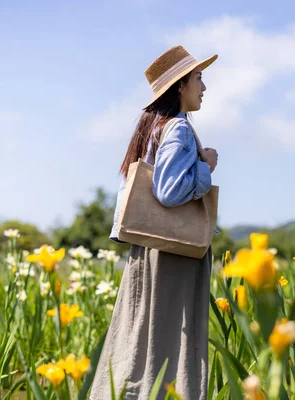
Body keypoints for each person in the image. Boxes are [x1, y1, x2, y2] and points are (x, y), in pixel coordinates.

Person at [89, 45, 219, 400]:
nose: (204, 87)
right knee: (168, 343)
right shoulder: (177, 127)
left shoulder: (153, 127)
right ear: (180, 85)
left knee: (138, 338)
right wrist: (206, 165)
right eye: (199, 78)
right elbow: (169, 191)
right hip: (172, 254)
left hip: (148, 248)